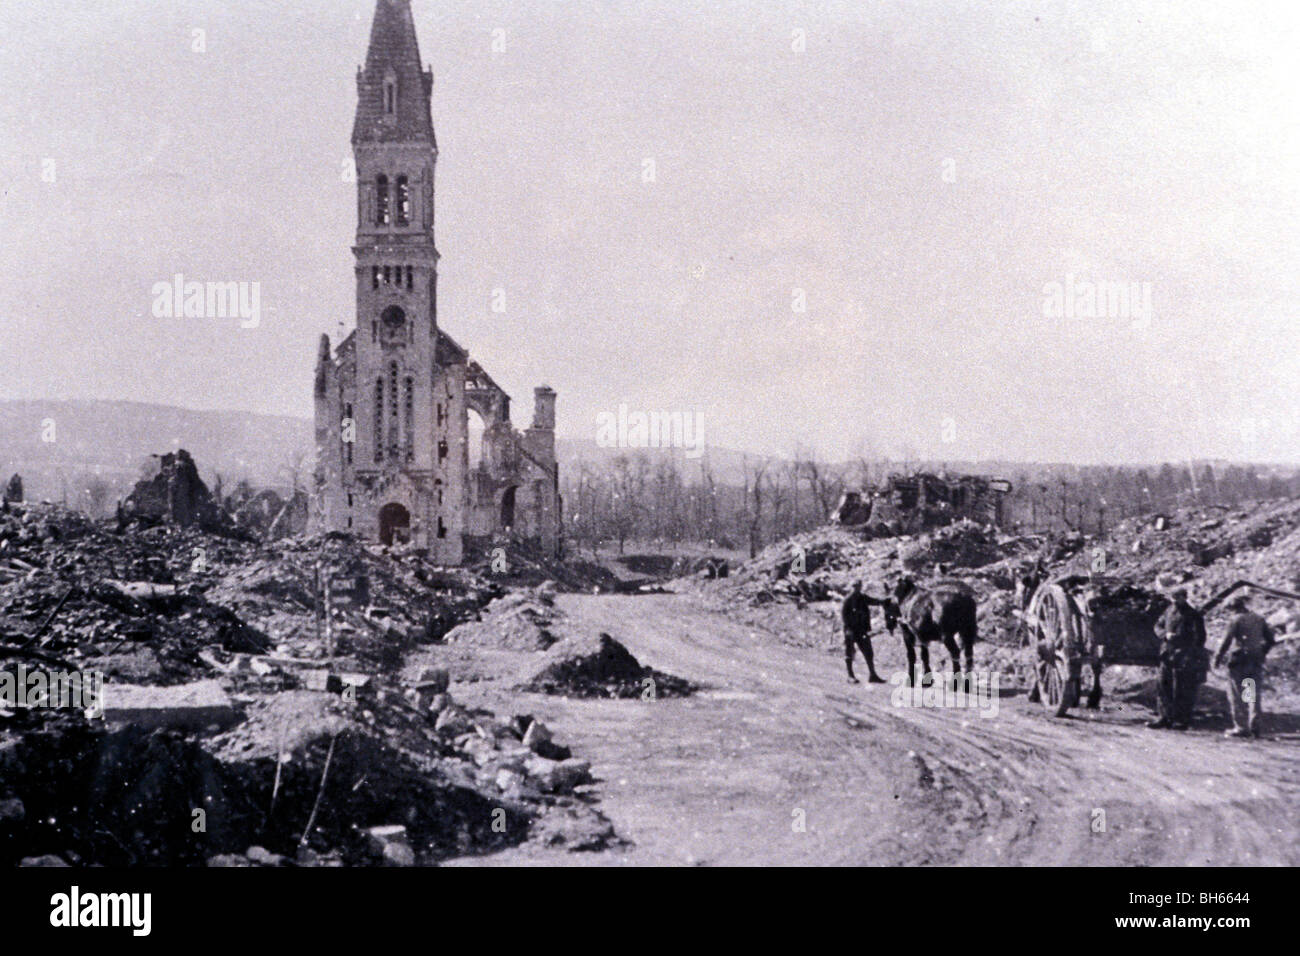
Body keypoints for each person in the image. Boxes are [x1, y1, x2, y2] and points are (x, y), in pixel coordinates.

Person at [1214, 594, 1275, 739]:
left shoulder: (1235, 620)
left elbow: (1226, 642)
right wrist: (1261, 652)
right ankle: (1255, 726)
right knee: (1252, 692)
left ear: (1232, 608)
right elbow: (1271, 640)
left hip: (1239, 660)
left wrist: (1217, 658)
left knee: (1236, 693)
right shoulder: (1259, 618)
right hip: (1255, 660)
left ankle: (1241, 727)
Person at [1148, 588, 1207, 730]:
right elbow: (1158, 626)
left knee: (1182, 688)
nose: (1174, 600)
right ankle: (1163, 717)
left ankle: (1180, 720)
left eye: (1177, 597)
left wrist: (1188, 649)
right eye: (1173, 597)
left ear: (1184, 597)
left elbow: (1200, 637)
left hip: (1184, 655)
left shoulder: (1193, 615)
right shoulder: (1169, 611)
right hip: (1167, 653)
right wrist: (1165, 635)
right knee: (1163, 685)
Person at [842, 580, 890, 684]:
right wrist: (848, 629)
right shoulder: (848, 599)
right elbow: (844, 616)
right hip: (851, 630)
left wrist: (884, 600)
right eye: (855, 586)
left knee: (868, 652)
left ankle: (873, 675)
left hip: (861, 629)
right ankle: (850, 676)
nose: (857, 588)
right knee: (849, 652)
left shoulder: (862, 597)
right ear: (852, 587)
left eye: (858, 586)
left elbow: (874, 601)